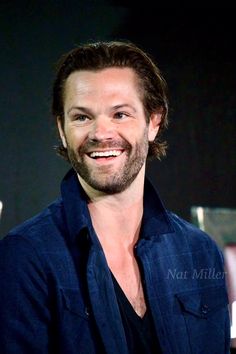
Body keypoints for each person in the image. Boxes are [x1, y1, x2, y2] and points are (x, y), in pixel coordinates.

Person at [0, 41, 231, 354]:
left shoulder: (199, 252)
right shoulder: (25, 257)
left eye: (120, 114)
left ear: (153, 122)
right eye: (82, 117)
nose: (100, 132)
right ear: (61, 129)